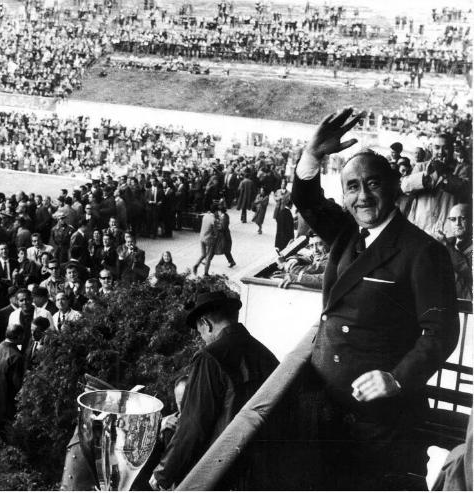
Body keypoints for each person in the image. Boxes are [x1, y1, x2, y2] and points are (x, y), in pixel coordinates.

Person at [291, 108, 459, 489]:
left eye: (373, 184)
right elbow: (307, 200)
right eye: (352, 187)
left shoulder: (422, 251)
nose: (362, 196)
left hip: (384, 421)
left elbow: (441, 331)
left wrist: (397, 379)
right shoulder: (347, 232)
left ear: (395, 187)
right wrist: (312, 156)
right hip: (330, 408)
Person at [149, 291, 279, 490]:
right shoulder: (266, 354)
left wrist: (163, 473)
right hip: (264, 472)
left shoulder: (209, 358)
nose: (203, 339)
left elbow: (193, 424)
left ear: (206, 324)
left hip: (222, 474)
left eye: (200, 333)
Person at [441, 203, 472, 300]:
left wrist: (446, 245)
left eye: (462, 218)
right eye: (453, 219)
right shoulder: (447, 242)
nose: (457, 223)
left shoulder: (446, 244)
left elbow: (468, 272)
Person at [191, 203, 218, 276]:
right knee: (208, 257)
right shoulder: (214, 219)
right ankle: (206, 273)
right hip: (209, 239)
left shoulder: (205, 215)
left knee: (203, 254)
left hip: (202, 237)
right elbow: (215, 232)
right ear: (216, 211)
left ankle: (196, 264)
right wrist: (215, 237)